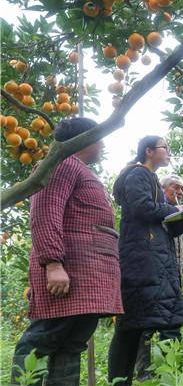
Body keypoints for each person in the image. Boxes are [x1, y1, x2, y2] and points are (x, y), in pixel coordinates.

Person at [11, 117, 123, 386]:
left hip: (88, 274)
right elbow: (45, 212)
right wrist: (52, 263)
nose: (103, 144)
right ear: (86, 139)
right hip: (70, 270)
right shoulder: (62, 164)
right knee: (42, 339)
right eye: (100, 137)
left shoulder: (78, 169)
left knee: (72, 343)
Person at [108, 136, 183, 386]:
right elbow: (142, 209)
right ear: (149, 152)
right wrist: (176, 211)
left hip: (152, 260)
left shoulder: (152, 181)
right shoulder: (138, 175)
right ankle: (120, 380)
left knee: (138, 325)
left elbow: (161, 227)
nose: (169, 152)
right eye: (165, 148)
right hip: (142, 262)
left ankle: (132, 378)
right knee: (130, 327)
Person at [134, 174, 183, 382]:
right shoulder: (155, 210)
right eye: (176, 187)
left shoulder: (176, 214)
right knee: (146, 328)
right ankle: (143, 372)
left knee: (171, 325)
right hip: (152, 279)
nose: (181, 192)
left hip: (171, 281)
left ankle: (168, 370)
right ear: (162, 189)